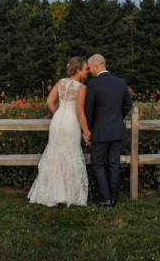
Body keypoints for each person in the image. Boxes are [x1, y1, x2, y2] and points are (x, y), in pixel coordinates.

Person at [28, 57, 91, 207]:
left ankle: (52, 193)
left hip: (57, 122)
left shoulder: (60, 82)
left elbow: (49, 101)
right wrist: (87, 131)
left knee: (55, 153)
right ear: (78, 70)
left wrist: (58, 112)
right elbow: (80, 113)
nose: (87, 71)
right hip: (71, 123)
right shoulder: (81, 87)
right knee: (70, 152)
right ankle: (69, 194)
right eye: (85, 69)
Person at [85, 54, 133, 206]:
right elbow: (128, 104)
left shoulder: (93, 85)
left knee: (98, 164)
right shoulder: (120, 82)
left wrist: (89, 129)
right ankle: (113, 198)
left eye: (90, 67)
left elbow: (89, 110)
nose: (89, 70)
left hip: (100, 131)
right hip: (117, 130)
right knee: (114, 164)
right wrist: (118, 118)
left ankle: (104, 199)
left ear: (97, 66)